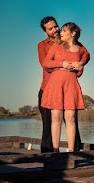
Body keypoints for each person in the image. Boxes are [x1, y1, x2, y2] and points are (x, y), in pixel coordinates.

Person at [37, 17, 89, 152]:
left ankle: (73, 153)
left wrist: (80, 64)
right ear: (45, 32)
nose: (56, 30)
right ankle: (50, 157)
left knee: (71, 120)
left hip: (69, 86)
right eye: (51, 28)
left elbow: (85, 54)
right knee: (50, 125)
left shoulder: (75, 44)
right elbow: (46, 64)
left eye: (56, 27)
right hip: (50, 87)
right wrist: (63, 64)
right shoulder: (44, 45)